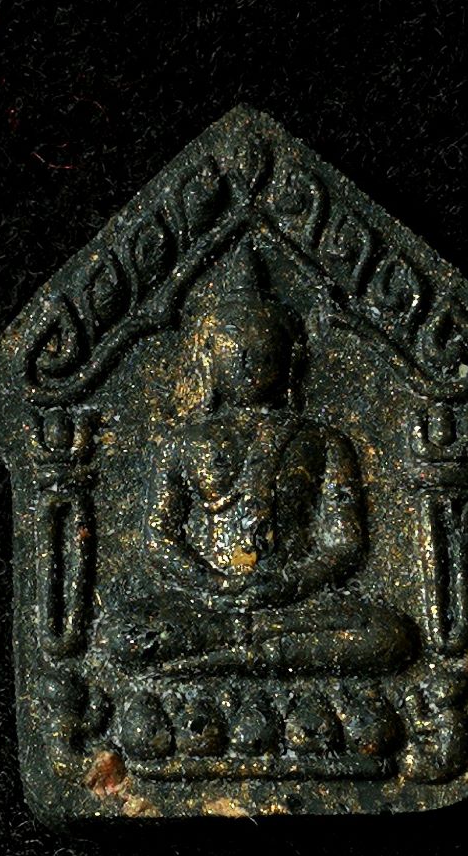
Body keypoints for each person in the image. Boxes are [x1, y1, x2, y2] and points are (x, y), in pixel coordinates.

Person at [99, 240, 416, 676]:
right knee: (124, 634)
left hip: (294, 601)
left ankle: (231, 654)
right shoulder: (182, 442)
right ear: (208, 360)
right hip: (210, 602)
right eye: (233, 347)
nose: (247, 360)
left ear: (290, 358)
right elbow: (158, 538)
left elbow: (345, 543)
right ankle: (255, 648)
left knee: (389, 635)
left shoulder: (323, 441)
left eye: (263, 346)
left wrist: (290, 582)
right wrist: (213, 584)